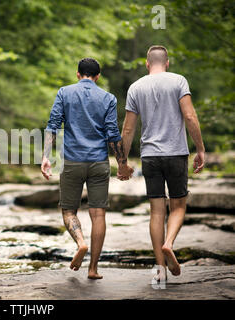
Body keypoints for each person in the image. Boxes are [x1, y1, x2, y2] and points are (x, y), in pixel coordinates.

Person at [41, 58, 133, 279]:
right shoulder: (108, 98)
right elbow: (112, 134)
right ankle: (93, 269)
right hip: (99, 162)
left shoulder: (65, 92)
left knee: (69, 210)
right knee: (98, 214)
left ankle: (80, 242)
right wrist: (122, 164)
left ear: (77, 74)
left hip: (72, 161)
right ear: (98, 76)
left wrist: (45, 157)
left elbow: (53, 125)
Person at [119, 45, 205, 282]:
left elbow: (128, 129)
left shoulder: (136, 87)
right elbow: (189, 116)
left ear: (147, 64)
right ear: (167, 63)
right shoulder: (178, 81)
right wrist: (200, 148)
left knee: (157, 211)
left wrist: (122, 162)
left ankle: (160, 270)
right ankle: (169, 244)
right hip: (176, 153)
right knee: (178, 206)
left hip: (150, 156)